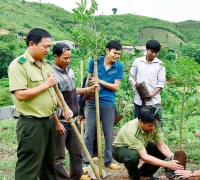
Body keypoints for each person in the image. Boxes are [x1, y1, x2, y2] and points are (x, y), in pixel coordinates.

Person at [7, 28, 70, 180]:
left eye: (49, 46)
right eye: (45, 46)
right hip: (32, 124)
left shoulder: (45, 65)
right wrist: (45, 85)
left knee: (48, 165)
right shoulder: (19, 65)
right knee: (29, 166)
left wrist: (65, 108)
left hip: (48, 122)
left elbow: (55, 91)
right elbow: (20, 94)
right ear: (32, 44)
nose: (48, 50)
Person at [52, 43, 97, 180]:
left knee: (77, 153)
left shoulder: (69, 71)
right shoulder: (51, 75)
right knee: (58, 157)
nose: (68, 60)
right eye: (65, 58)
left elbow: (72, 92)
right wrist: (56, 122)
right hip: (61, 120)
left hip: (73, 119)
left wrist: (88, 90)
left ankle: (76, 177)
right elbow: (51, 98)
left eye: (70, 58)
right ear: (56, 56)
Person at [83, 40, 123, 170]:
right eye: (114, 53)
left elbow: (116, 87)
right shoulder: (94, 62)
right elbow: (87, 82)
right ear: (107, 50)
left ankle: (108, 161)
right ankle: (86, 161)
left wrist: (100, 81)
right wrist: (91, 86)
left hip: (108, 102)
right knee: (89, 132)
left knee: (109, 132)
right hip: (92, 102)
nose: (116, 56)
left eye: (119, 54)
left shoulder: (119, 67)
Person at [112, 106, 184, 180]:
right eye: (150, 126)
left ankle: (144, 174)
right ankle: (135, 177)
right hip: (121, 149)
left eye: (155, 124)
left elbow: (161, 145)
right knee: (132, 156)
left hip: (142, 145)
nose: (153, 127)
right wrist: (167, 164)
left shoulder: (155, 125)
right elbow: (144, 156)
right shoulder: (130, 130)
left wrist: (172, 158)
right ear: (140, 122)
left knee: (160, 151)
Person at [129, 39, 166, 119]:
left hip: (154, 102)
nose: (153, 54)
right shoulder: (137, 61)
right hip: (139, 102)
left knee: (156, 126)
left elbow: (161, 82)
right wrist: (137, 87)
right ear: (147, 49)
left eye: (156, 52)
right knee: (138, 125)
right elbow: (131, 76)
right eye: (152, 51)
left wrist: (152, 94)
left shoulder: (160, 64)